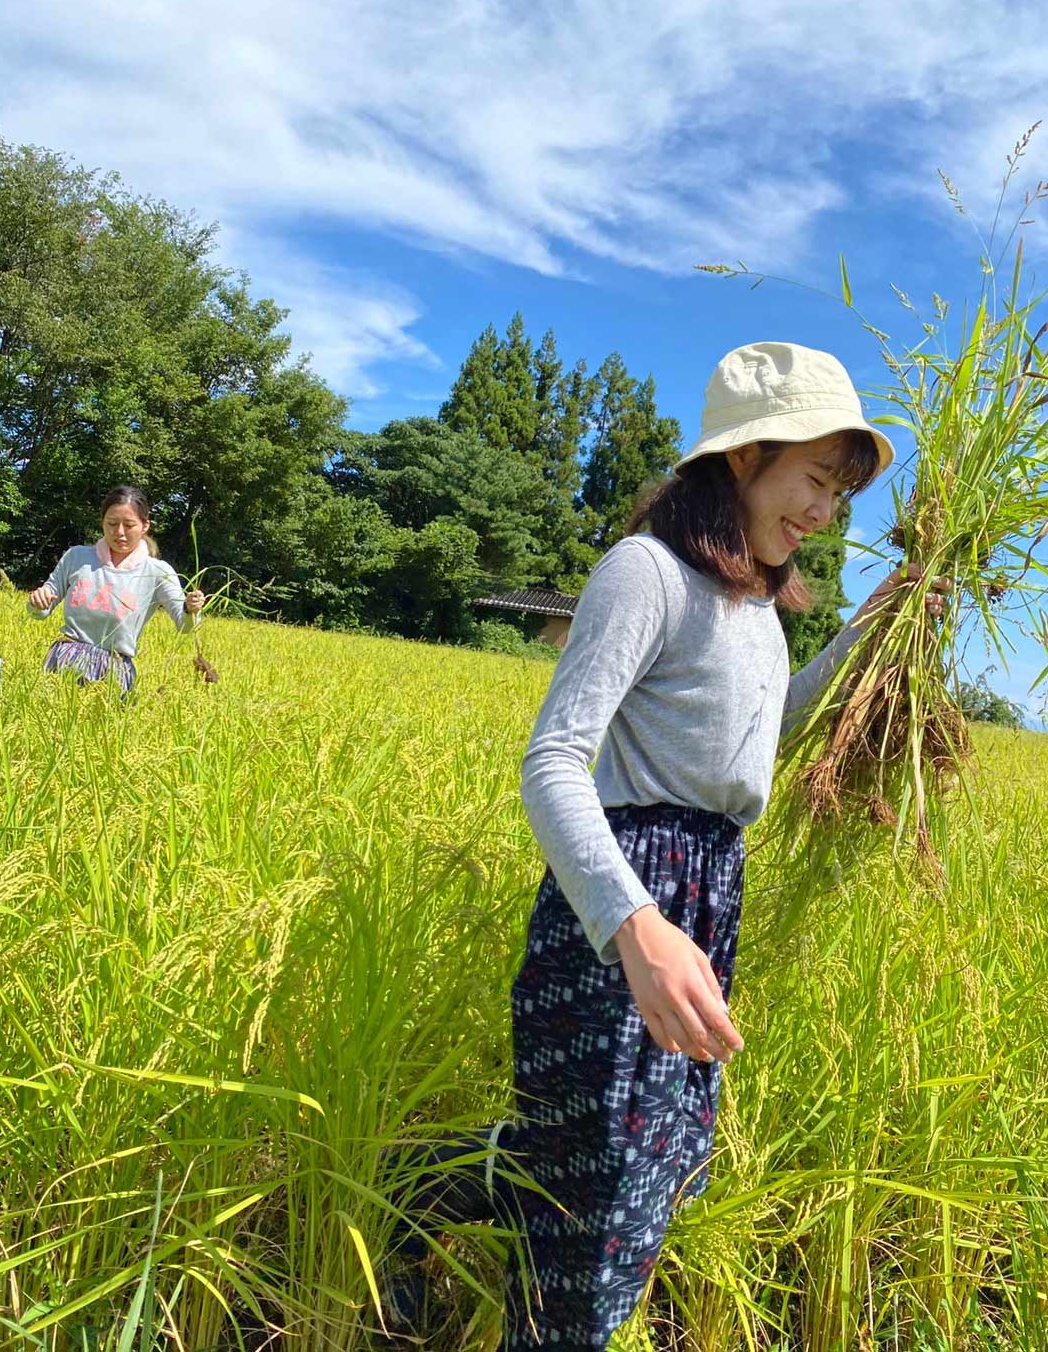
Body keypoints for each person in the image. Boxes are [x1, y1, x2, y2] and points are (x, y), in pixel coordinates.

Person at [386, 343, 948, 1348]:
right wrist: (632, 924)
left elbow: (759, 739)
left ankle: (415, 1188)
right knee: (601, 1182)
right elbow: (553, 762)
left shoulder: (758, 613)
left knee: (644, 1159)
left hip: (706, 890)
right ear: (744, 457)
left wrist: (872, 627)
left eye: (837, 494)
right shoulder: (644, 572)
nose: (824, 515)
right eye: (815, 480)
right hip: (623, 896)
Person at [27, 486, 205, 694]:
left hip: (113, 670)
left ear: (145, 525)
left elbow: (186, 627)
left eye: (129, 525)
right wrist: (37, 602)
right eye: (112, 524)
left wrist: (190, 608)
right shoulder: (76, 557)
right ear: (102, 522)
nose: (119, 532)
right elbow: (40, 610)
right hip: (65, 660)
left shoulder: (157, 572)